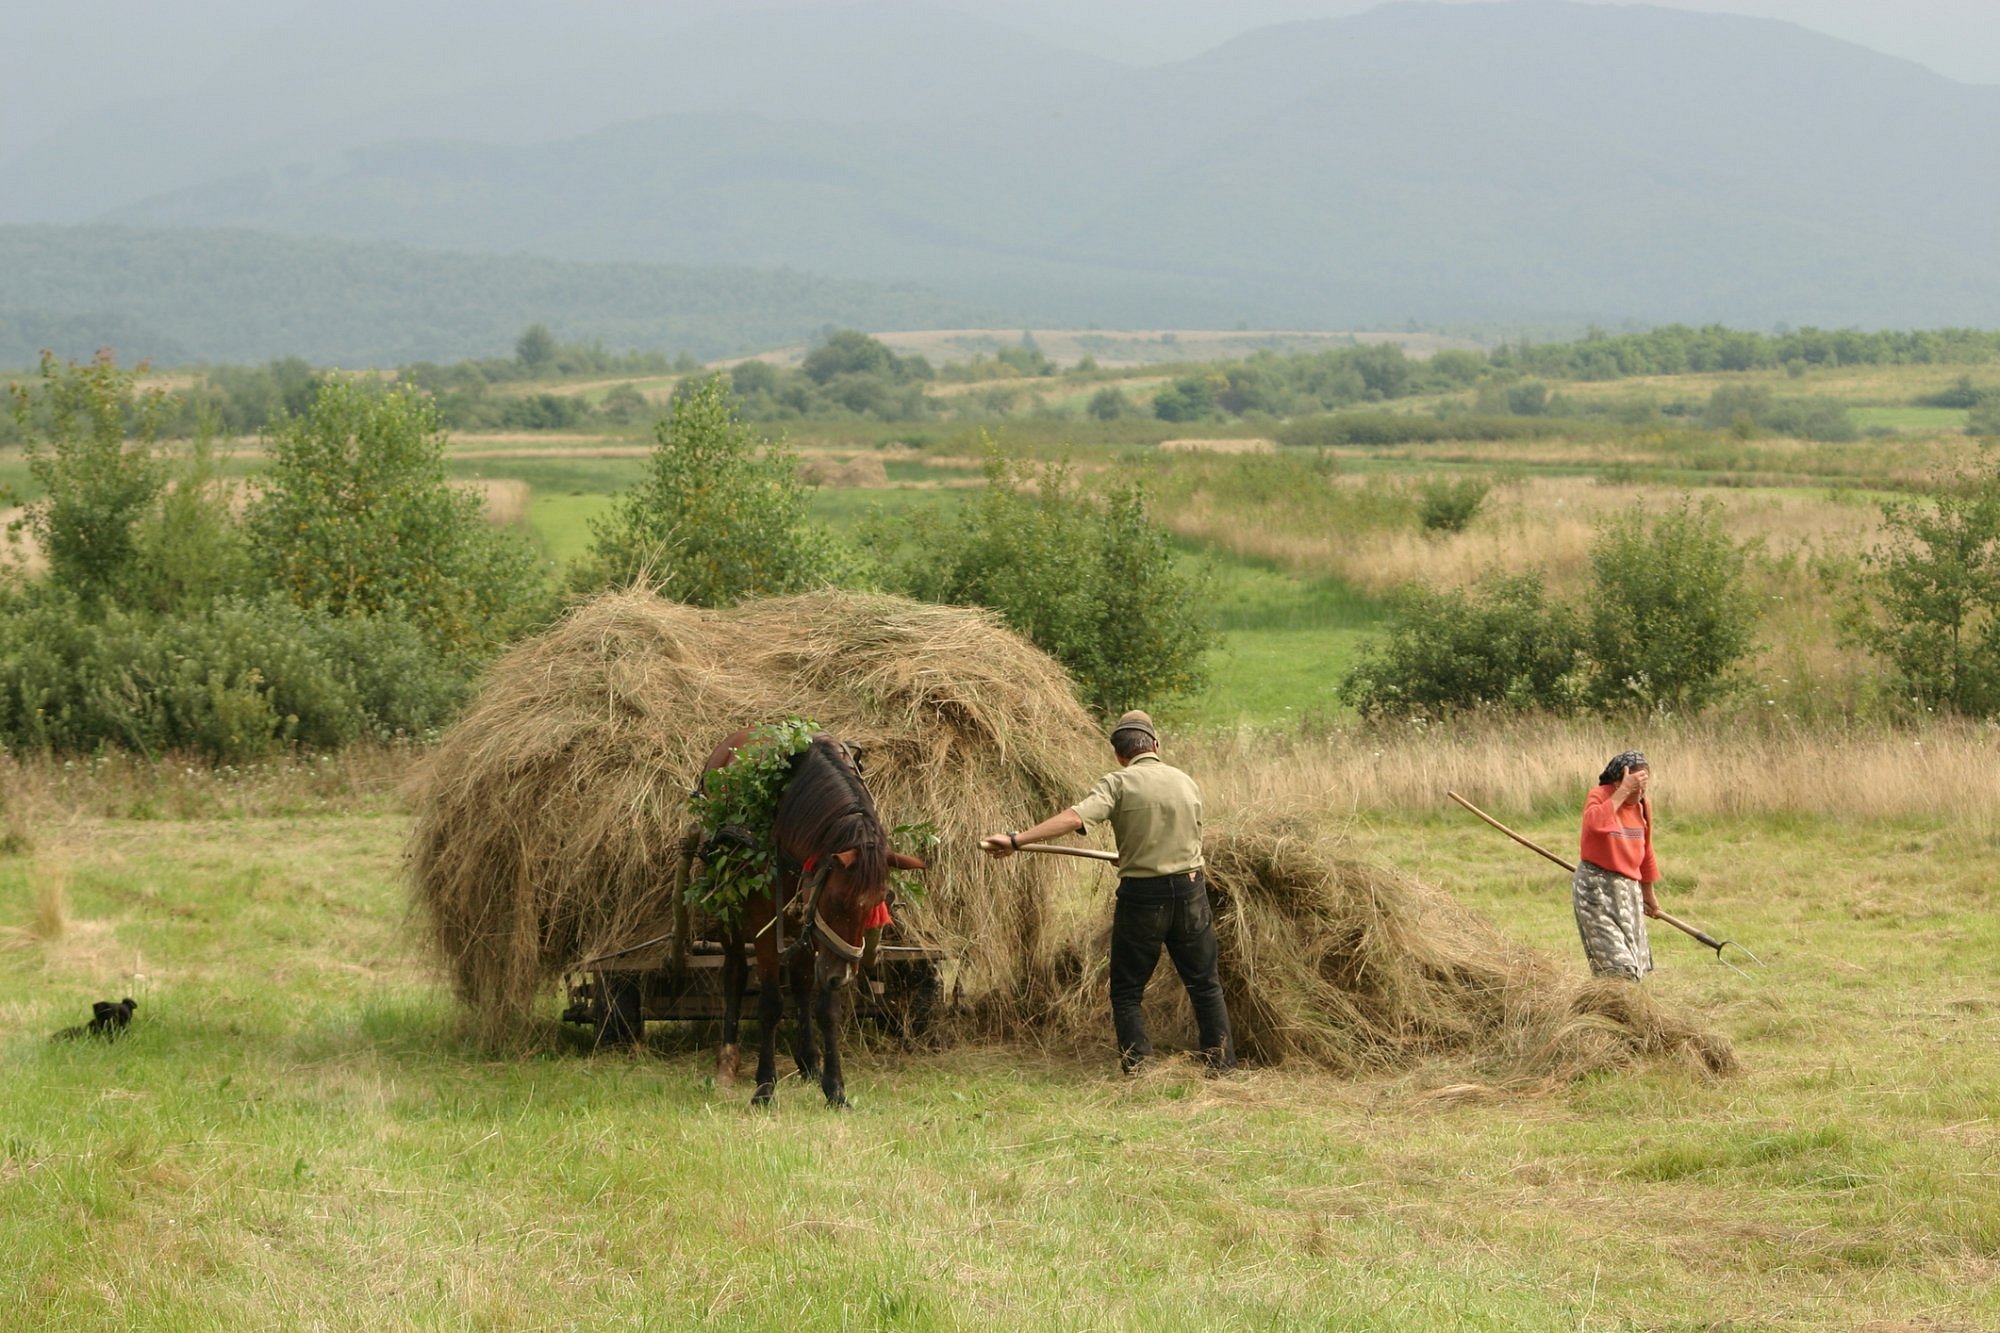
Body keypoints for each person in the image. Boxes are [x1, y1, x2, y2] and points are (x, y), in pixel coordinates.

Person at [981, 710, 1235, 1073]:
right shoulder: (1185, 781)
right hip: (1190, 891)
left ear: (1119, 755)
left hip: (1143, 897)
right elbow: (1189, 837)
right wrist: (1135, 853)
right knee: (1205, 984)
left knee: (1127, 991)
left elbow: (1074, 818)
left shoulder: (1117, 783)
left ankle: (1139, 1069)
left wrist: (1015, 840)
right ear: (1156, 746)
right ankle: (1222, 1065)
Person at [1574, 750, 1661, 981]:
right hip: (1596, 890)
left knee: (1635, 963)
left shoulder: (1643, 806)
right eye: (1635, 785)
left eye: (1644, 786)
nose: (1640, 792)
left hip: (1628, 891)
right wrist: (1623, 792)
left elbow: (1646, 850)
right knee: (1617, 966)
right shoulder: (1600, 796)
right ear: (1617, 781)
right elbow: (1594, 824)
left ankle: (1621, 1011)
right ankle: (1605, 1010)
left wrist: (1648, 893)